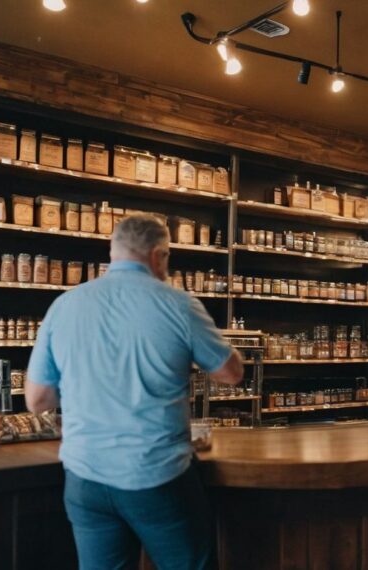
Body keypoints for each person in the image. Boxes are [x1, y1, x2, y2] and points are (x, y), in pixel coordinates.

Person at [25, 214, 243, 570]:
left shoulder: (65, 305)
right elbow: (230, 374)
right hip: (156, 477)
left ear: (113, 252)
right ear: (160, 255)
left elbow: (37, 401)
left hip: (86, 478)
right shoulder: (179, 304)